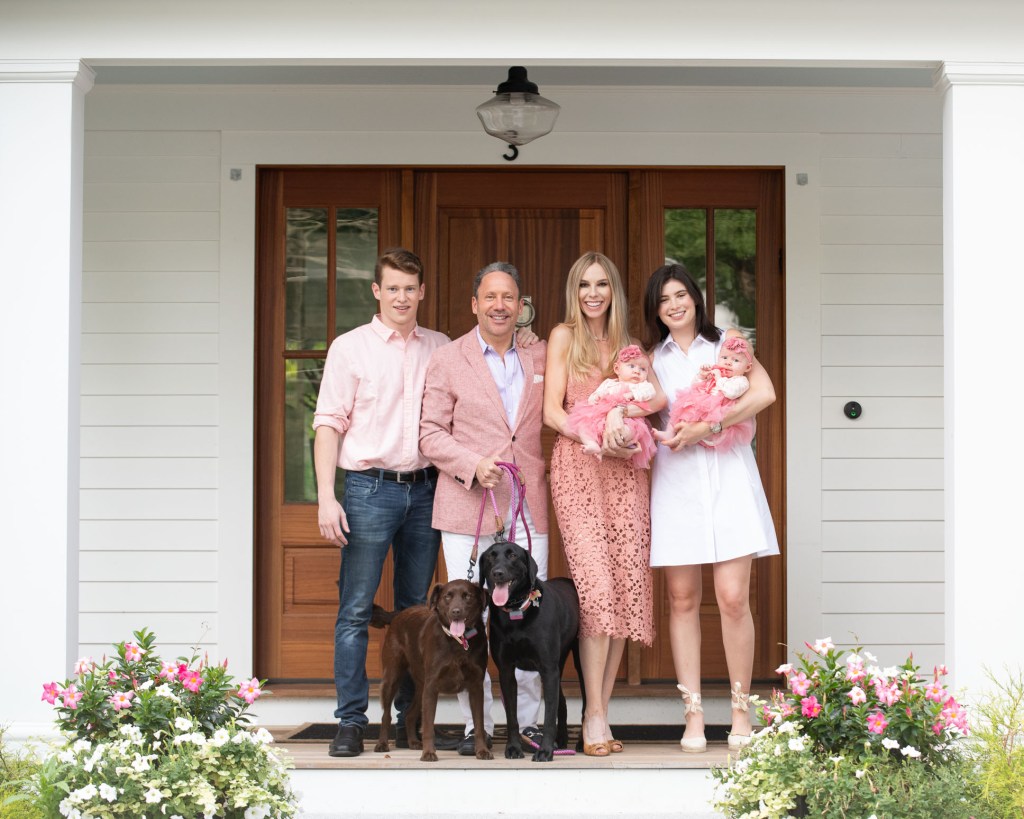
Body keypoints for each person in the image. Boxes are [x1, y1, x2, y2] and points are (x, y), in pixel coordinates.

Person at [312, 248, 448, 759]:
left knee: (417, 613)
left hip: (426, 490)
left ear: (422, 292)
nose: (401, 297)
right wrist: (326, 498)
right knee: (354, 611)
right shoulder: (350, 348)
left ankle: (411, 721)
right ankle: (350, 722)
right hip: (368, 489)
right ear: (377, 291)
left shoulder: (440, 347)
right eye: (392, 288)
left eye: (410, 288)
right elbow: (328, 424)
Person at [642, 262, 779, 753]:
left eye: (680, 295)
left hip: (729, 479)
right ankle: (694, 715)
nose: (674, 305)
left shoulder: (726, 343)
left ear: (695, 298)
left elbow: (764, 392)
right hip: (676, 483)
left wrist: (712, 425)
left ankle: (741, 711)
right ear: (656, 310)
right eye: (664, 300)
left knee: (733, 597)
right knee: (681, 599)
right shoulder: (651, 359)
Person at [419, 261, 549, 755]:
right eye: (490, 297)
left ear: (521, 306)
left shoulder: (540, 354)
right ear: (474, 304)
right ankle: (480, 725)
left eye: (508, 297)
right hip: (466, 506)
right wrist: (472, 464)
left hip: (527, 505)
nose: (499, 305)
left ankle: (529, 723)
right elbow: (430, 433)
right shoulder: (448, 359)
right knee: (466, 618)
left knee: (527, 616)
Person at [543, 251, 666, 756]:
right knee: (595, 590)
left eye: (601, 285)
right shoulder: (563, 336)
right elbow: (552, 412)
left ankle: (600, 712)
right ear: (574, 291)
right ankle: (593, 714)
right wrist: (595, 436)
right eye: (584, 285)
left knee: (623, 587)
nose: (593, 294)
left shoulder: (629, 344)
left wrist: (622, 413)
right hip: (579, 466)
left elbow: (657, 399)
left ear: (613, 290)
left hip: (626, 472)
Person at [564, 344, 658, 468]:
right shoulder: (609, 383)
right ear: (617, 369)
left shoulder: (642, 386)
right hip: (602, 415)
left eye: (643, 369)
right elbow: (599, 392)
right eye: (631, 366)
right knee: (582, 425)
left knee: (629, 431)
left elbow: (650, 393)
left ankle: (616, 445)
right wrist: (595, 397)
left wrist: (633, 394)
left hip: (628, 419)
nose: (637, 371)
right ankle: (592, 444)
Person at [661, 335, 755, 452]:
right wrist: (702, 376)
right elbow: (695, 385)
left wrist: (719, 378)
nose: (728, 363)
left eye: (735, 360)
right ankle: (669, 432)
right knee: (682, 407)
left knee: (701, 427)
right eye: (724, 358)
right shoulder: (716, 371)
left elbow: (731, 393)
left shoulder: (741, 381)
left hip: (719, 412)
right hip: (702, 406)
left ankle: (690, 437)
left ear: (747, 367)